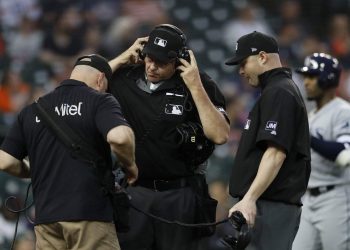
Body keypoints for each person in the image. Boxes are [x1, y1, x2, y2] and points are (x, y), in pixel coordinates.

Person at [107, 24, 230, 250]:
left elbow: (220, 135)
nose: (152, 67)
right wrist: (122, 58)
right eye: (149, 58)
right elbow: (79, 89)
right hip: (135, 193)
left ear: (179, 61)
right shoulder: (124, 77)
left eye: (161, 62)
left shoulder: (198, 83)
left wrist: (195, 86)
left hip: (179, 194)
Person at [0, 54, 138, 250]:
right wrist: (131, 166)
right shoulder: (100, 101)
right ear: (100, 79)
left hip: (46, 220)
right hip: (89, 215)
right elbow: (120, 137)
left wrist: (32, 170)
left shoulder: (33, 110)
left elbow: (5, 161)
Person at [225, 31, 311, 250]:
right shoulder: (276, 90)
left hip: (271, 206)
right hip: (265, 204)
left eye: (243, 63)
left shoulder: (280, 92)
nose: (241, 71)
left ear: (262, 57)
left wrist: (250, 198)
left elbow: (275, 153)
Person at [293, 53, 350, 250]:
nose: (306, 82)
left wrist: (306, 136)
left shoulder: (342, 111)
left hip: (335, 196)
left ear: (327, 78)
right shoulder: (311, 115)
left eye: (312, 77)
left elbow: (345, 154)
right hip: (308, 198)